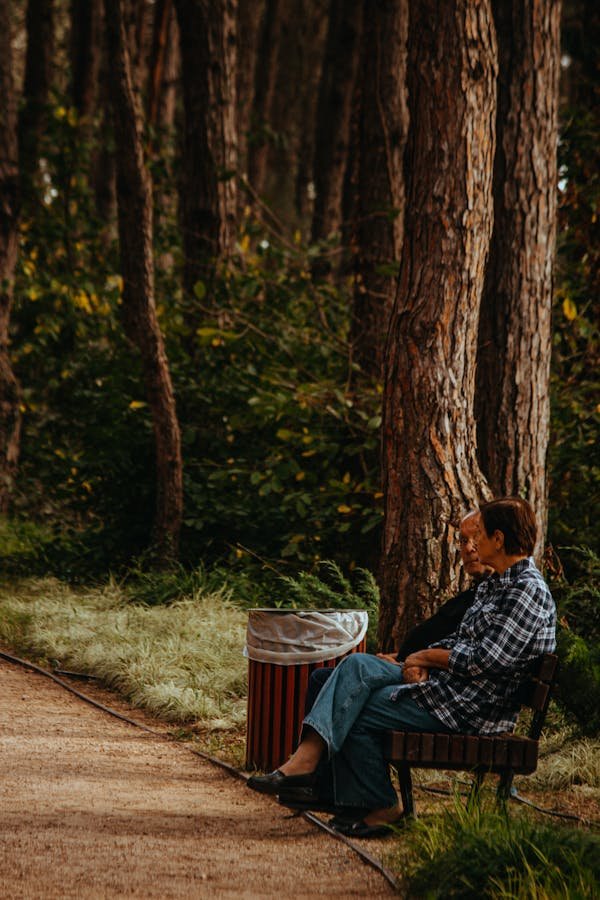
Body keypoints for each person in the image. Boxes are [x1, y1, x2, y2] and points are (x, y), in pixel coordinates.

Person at [247, 497, 556, 838]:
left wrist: (423, 658)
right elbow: (461, 642)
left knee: (356, 711)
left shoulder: (526, 590)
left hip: (468, 708)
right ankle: (309, 764)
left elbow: (485, 660)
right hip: (449, 687)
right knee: (356, 667)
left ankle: (378, 803)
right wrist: (415, 660)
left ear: (498, 539)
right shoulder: (498, 583)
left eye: (479, 534)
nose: (473, 543)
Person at [303, 510, 493, 714]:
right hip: (411, 666)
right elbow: (445, 643)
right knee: (329, 677)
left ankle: (315, 746)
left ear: (495, 541)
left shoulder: (489, 600)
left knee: (331, 680)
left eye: (477, 538)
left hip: (426, 680)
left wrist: (404, 662)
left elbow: (465, 656)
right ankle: (318, 746)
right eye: (463, 540)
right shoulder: (475, 592)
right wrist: (395, 657)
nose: (469, 548)